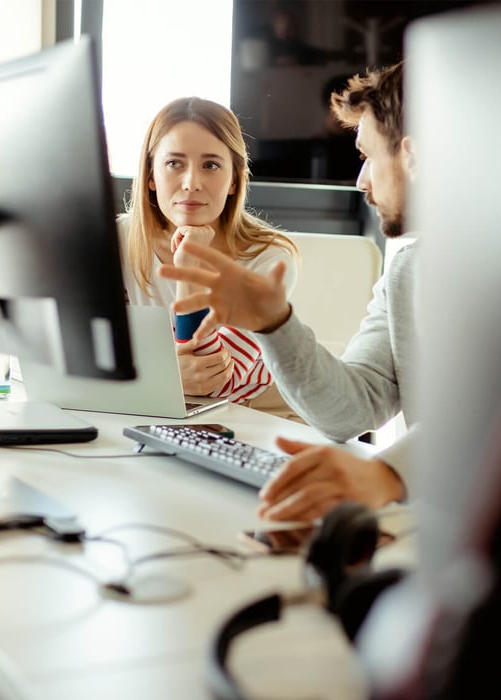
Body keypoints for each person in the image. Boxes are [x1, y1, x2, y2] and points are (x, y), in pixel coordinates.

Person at [158, 62, 418, 522]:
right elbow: (350, 411)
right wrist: (275, 323)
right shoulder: (408, 273)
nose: (361, 182)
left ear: (412, 157)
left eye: (367, 157)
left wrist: (388, 474)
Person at [118, 97, 300, 415]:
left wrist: (190, 264)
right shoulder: (116, 239)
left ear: (233, 180)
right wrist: (162, 375)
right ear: (150, 176)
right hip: (152, 403)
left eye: (211, 165)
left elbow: (210, 381)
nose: (191, 183)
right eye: (174, 163)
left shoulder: (270, 258)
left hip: (256, 409)